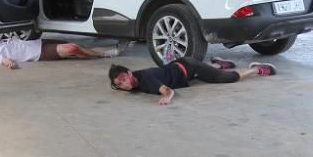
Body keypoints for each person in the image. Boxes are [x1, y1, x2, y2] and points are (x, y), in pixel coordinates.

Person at [109, 57, 276, 106]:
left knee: (228, 78)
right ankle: (219, 64)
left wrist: (167, 97)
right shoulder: (135, 79)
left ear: (129, 73)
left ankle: (255, 68)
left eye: (124, 79)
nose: (124, 85)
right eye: (120, 84)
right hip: (182, 67)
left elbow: (167, 90)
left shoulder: (146, 79)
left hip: (189, 68)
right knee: (210, 72)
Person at [0, 37, 128, 69]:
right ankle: (106, 54)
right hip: (40, 52)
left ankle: (112, 44)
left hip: (39, 42)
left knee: (76, 44)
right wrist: (8, 63)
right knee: (72, 48)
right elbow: (3, 61)